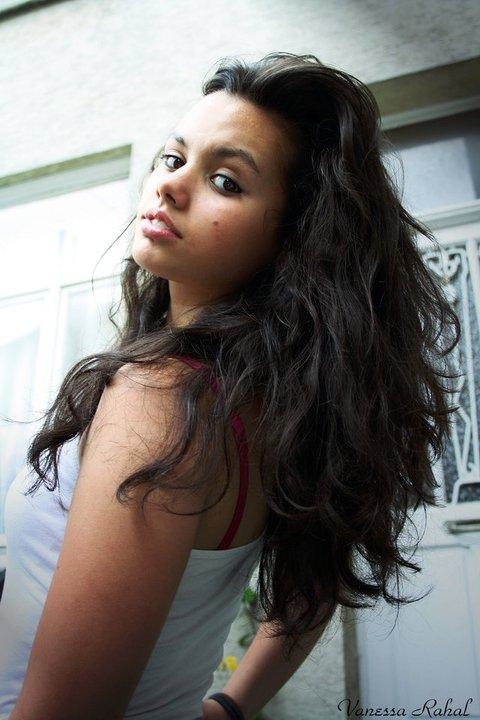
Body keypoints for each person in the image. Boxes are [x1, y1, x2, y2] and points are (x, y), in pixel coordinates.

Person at [0, 51, 460, 720]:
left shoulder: (159, 402)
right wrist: (233, 707)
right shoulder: (263, 408)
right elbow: (313, 585)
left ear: (293, 239)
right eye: (172, 158)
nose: (170, 186)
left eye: (224, 180)